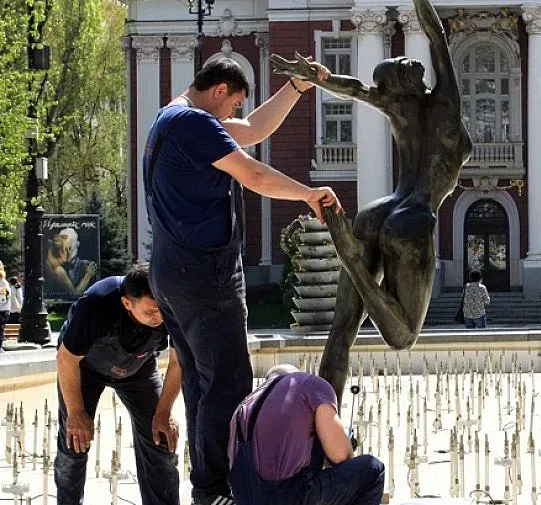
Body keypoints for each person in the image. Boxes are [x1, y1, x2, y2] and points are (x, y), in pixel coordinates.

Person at [143, 57, 342, 505]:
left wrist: (293, 87)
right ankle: (218, 491)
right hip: (204, 275)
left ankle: (207, 487)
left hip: (172, 272)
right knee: (228, 383)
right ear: (218, 91)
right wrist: (307, 194)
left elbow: (252, 128)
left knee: (200, 383)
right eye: (229, 104)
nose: (229, 115)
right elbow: (252, 173)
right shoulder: (194, 124)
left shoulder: (169, 120)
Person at [270, 0, 473, 398]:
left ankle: (321, 424)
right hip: (413, 216)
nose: (408, 63)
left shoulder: (399, 106)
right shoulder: (443, 101)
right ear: (402, 86)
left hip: (380, 211)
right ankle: (351, 259)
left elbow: (355, 89)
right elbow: (435, 35)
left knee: (342, 327)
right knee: (401, 336)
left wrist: (315, 79)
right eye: (401, 66)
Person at [54, 263, 181, 505]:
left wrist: (163, 411)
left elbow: (178, 362)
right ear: (127, 303)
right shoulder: (97, 303)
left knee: (161, 437)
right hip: (85, 370)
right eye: (151, 312)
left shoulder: (171, 304)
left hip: (139, 369)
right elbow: (66, 359)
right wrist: (76, 413)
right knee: (74, 443)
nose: (160, 318)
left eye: (161, 311)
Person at [227, 364, 384, 505]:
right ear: (296, 374)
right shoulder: (308, 384)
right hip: (288, 495)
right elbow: (341, 456)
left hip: (244, 498)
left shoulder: (242, 409)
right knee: (372, 469)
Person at [45, 232, 97, 296]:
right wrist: (88, 275)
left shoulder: (46, 261)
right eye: (67, 249)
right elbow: (74, 295)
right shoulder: (58, 270)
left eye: (69, 249)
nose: (68, 254)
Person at [0, 265, 10, 346]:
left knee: (0, 328)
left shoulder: (3, 283)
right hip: (3, 309)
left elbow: (3, 299)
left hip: (2, 310)